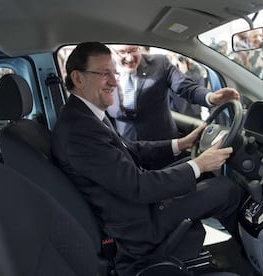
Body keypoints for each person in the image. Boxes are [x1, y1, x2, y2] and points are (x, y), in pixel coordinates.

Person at [51, 42, 245, 275]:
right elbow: (138, 186)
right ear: (78, 79)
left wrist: (180, 145)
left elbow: (130, 148)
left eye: (113, 73)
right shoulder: (78, 130)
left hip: (132, 208)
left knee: (199, 170)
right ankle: (250, 259)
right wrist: (200, 163)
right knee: (227, 189)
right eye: (104, 74)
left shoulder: (83, 115)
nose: (114, 81)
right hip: (137, 227)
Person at [106, 44, 240, 141]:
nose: (129, 58)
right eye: (122, 52)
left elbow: (186, 87)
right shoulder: (102, 73)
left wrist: (211, 97)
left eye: (133, 50)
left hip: (164, 145)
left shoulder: (160, 63)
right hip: (128, 148)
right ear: (111, 51)